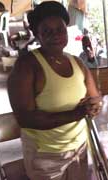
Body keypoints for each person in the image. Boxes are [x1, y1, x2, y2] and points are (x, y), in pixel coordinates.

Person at [7, 1, 102, 180]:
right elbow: (25, 118)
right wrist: (77, 113)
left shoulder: (78, 63)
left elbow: (94, 97)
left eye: (60, 29)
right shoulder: (27, 66)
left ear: (67, 29)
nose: (56, 35)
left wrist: (95, 105)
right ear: (37, 35)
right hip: (45, 155)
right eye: (47, 31)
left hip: (79, 148)